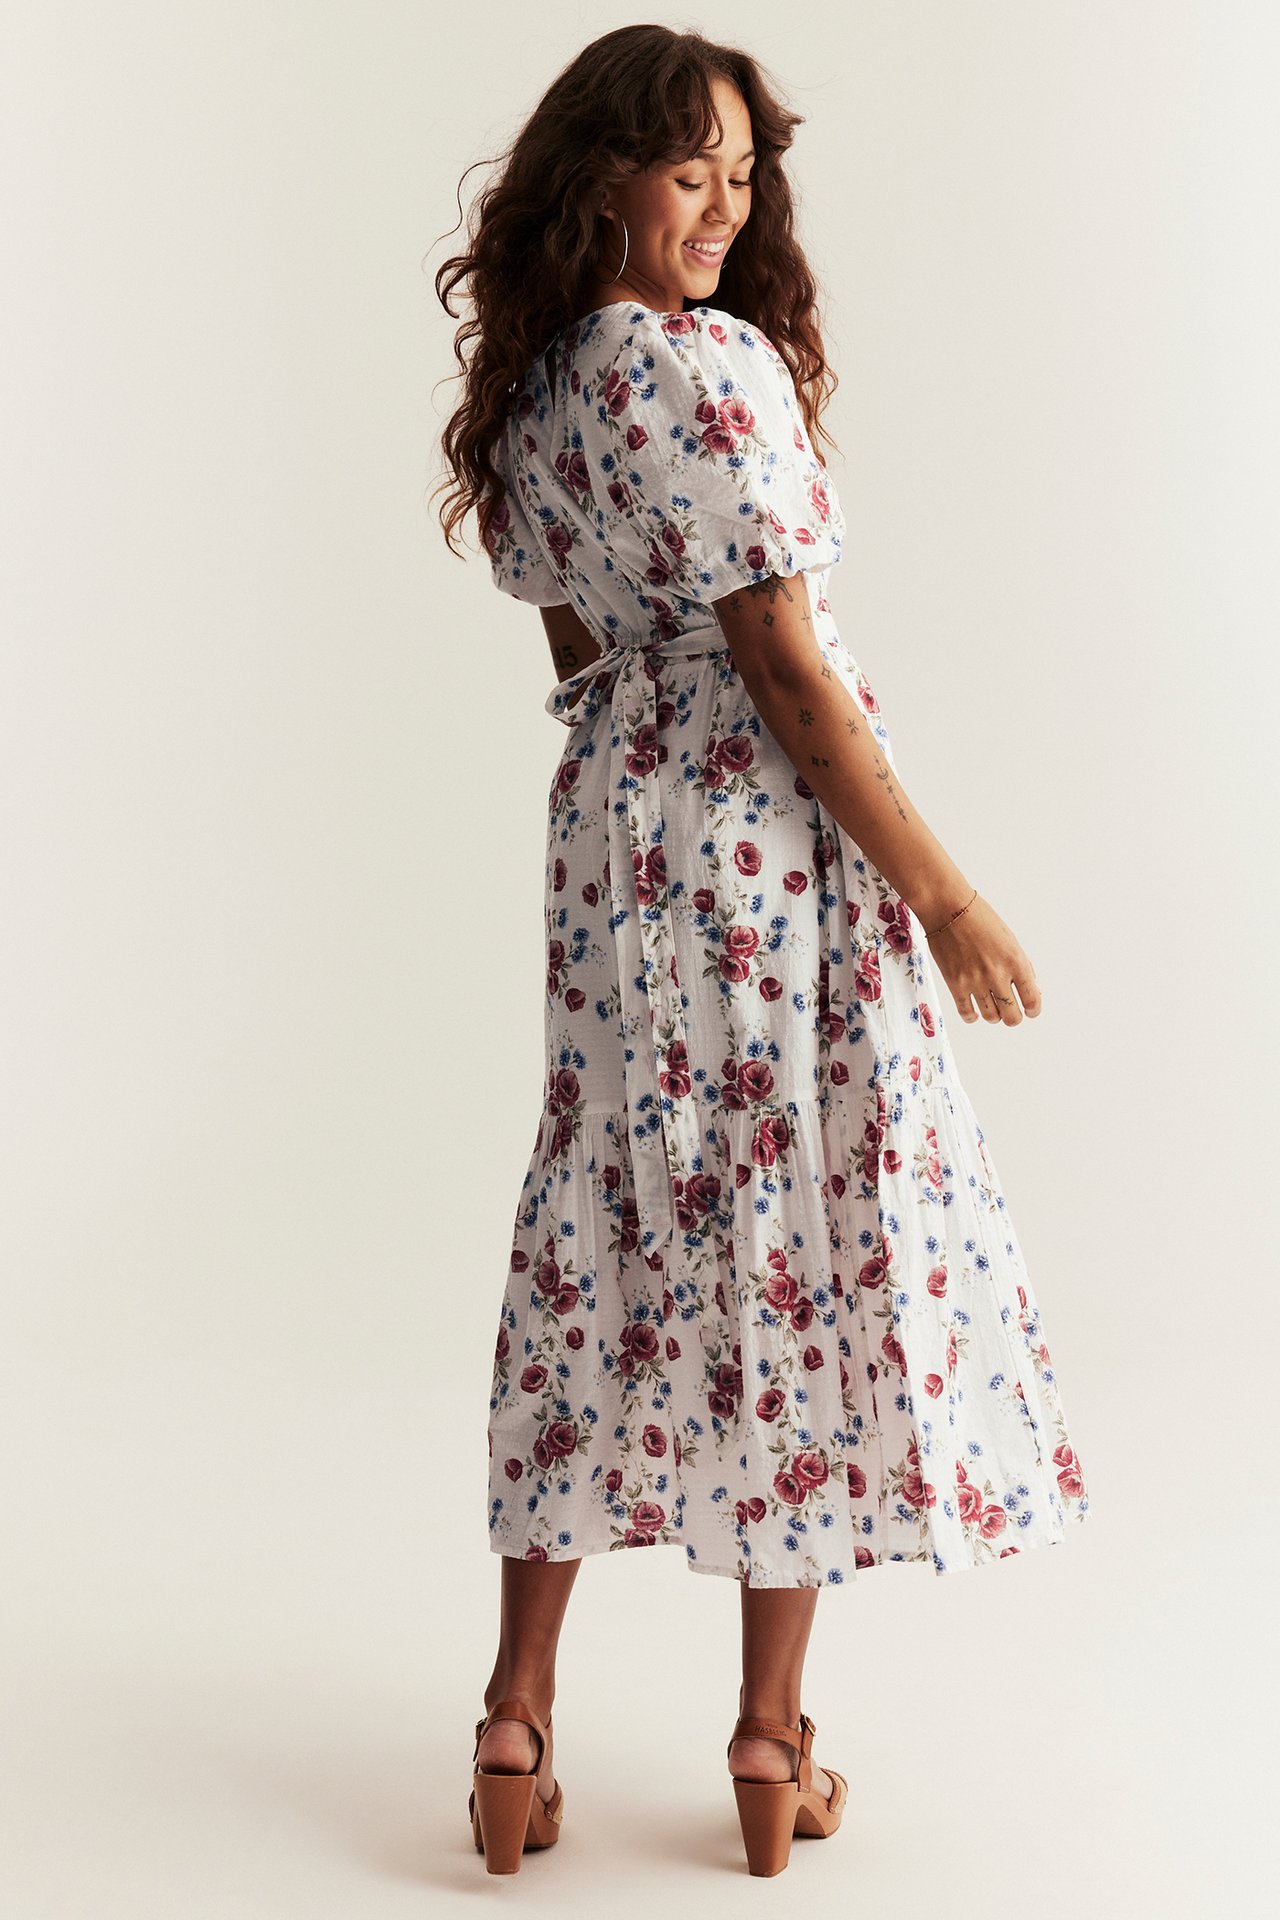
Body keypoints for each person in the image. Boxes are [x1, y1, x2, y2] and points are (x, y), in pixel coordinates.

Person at [433, 25, 1090, 1878]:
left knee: (602, 1217)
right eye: (686, 171)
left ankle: (514, 1710)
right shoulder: (708, 368)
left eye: (741, 173)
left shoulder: (540, 388)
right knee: (786, 1225)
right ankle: (770, 1737)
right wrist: (946, 892)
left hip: (608, 848)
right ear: (607, 178)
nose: (721, 209)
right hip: (762, 844)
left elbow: (580, 655)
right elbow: (785, 666)